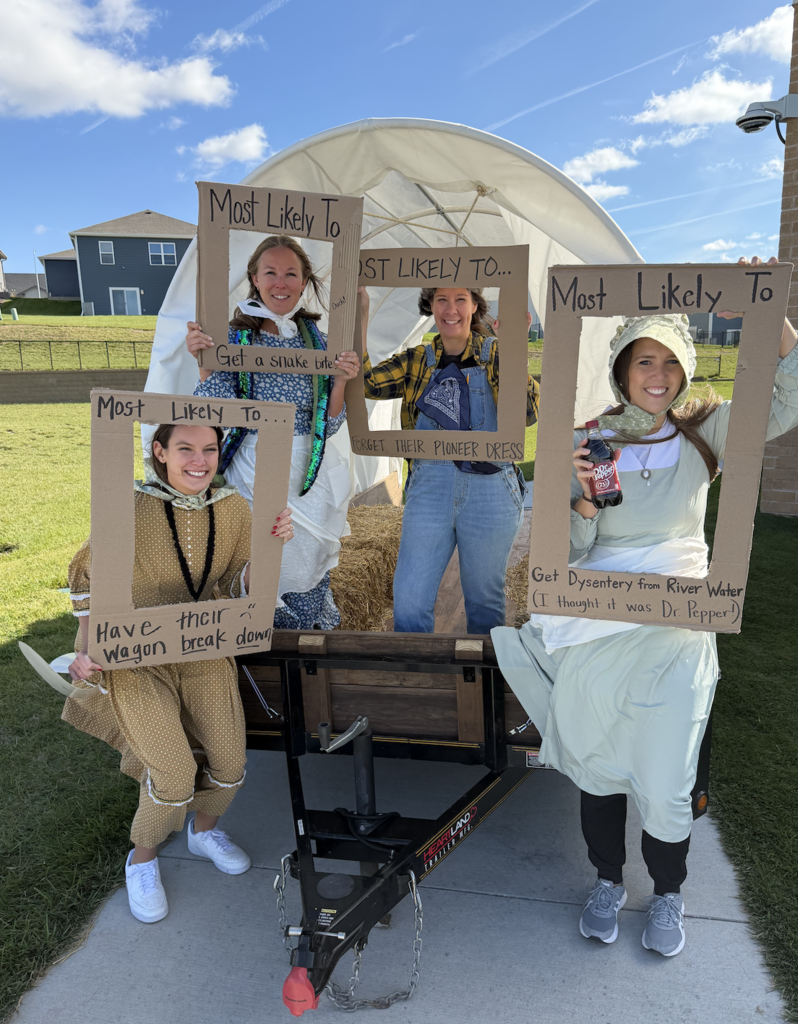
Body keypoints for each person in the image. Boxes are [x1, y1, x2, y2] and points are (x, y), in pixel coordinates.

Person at [491, 259, 798, 956]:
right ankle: (606, 878)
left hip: (678, 618)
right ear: (623, 369)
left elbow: (789, 394)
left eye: (668, 360)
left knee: (666, 770)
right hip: (598, 615)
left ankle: (667, 893)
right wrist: (574, 497)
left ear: (684, 369)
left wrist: (767, 308)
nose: (656, 374)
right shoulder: (590, 438)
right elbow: (567, 546)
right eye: (643, 360)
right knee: (598, 759)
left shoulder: (706, 429)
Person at [65, 423, 293, 924]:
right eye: (185, 448)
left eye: (209, 449)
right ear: (159, 452)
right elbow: (87, 583)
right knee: (171, 772)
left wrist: (269, 549)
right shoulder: (126, 506)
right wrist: (85, 650)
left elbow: (237, 580)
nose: (199, 459)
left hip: (204, 647)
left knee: (231, 762)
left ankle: (203, 831)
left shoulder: (232, 507)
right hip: (137, 656)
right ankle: (142, 859)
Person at [185, 235, 360, 630]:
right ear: (254, 279)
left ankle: (309, 648)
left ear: (303, 281)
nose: (280, 282)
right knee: (264, 556)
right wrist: (204, 363)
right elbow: (214, 411)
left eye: (290, 274)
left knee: (307, 559)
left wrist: (341, 382)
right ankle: (267, 645)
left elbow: (329, 424)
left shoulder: (319, 343)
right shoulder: (231, 338)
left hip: (308, 474)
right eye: (271, 273)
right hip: (254, 467)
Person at [361, 285, 539, 634]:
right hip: (430, 487)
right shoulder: (417, 359)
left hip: (491, 487)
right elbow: (367, 384)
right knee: (410, 602)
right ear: (430, 304)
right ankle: (418, 683)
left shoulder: (497, 354)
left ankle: (481, 686)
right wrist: (360, 313)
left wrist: (515, 351)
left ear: (475, 306)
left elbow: (529, 413)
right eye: (441, 299)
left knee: (484, 604)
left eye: (460, 299)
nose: (451, 308)